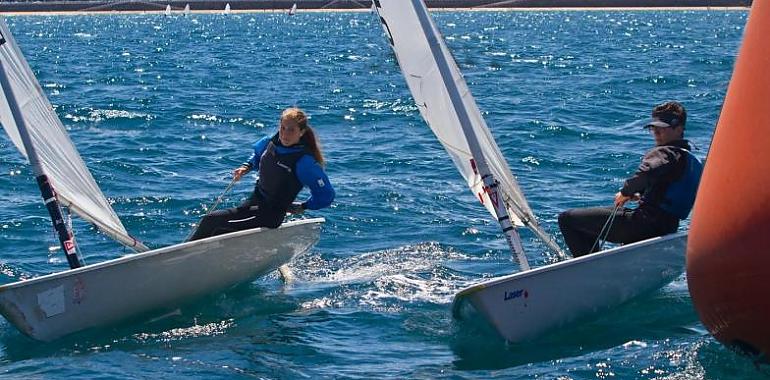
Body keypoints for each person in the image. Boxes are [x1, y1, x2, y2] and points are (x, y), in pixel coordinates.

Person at [558, 101, 703, 258]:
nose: (657, 132)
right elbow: (668, 189)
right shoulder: (690, 159)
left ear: (679, 128)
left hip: (643, 225)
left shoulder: (665, 152)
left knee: (567, 219)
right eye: (654, 128)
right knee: (590, 221)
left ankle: (588, 269)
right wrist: (639, 195)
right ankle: (596, 261)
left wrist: (626, 191)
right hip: (667, 228)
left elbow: (646, 172)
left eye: (662, 128)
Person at [189, 107, 334, 241]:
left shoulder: (304, 162)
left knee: (213, 221)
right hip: (253, 203)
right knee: (215, 225)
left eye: (291, 130)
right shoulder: (271, 142)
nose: (285, 134)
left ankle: (187, 257)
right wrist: (247, 166)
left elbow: (326, 194)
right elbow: (257, 155)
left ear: (301, 132)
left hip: (269, 216)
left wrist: (304, 206)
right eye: (283, 128)